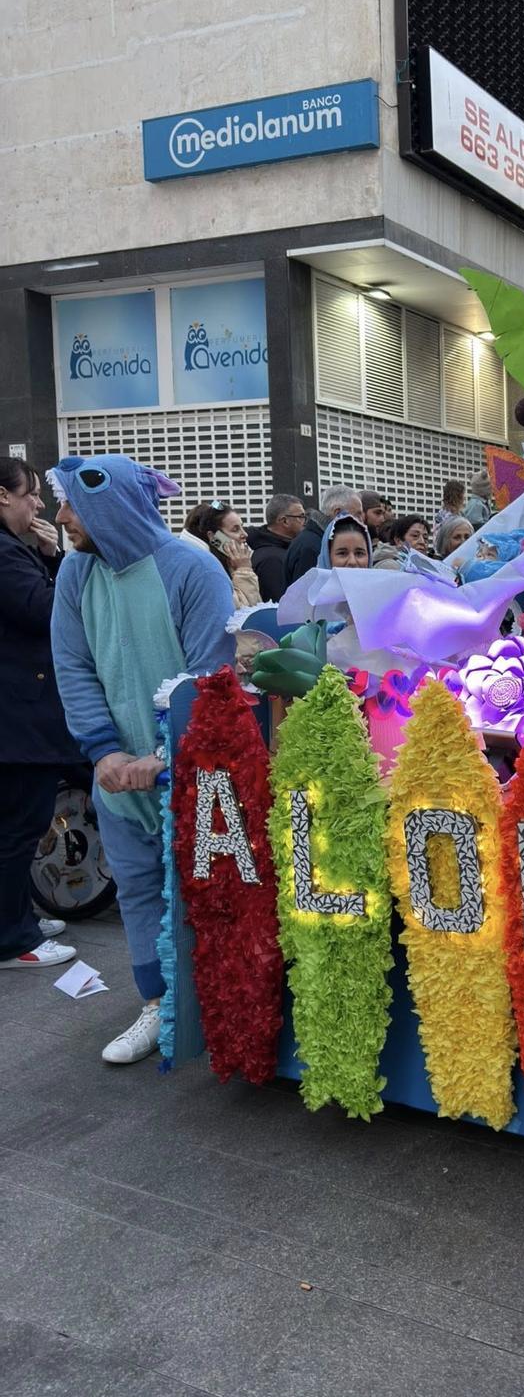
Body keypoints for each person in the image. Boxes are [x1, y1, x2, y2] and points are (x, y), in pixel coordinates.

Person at [49, 455, 235, 1064]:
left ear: (107, 504)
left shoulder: (193, 569)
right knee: (135, 888)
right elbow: (73, 665)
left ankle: (228, 1001)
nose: (61, 516)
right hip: (116, 777)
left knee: (212, 888)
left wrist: (163, 756)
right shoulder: (77, 574)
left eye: (71, 503)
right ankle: (158, 1002)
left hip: (193, 772)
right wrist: (102, 750)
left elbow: (212, 676)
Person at [0, 458, 81, 972]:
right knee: (17, 828)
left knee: (19, 826)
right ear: (3, 496)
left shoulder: (16, 550)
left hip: (20, 715)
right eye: (29, 493)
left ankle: (16, 917)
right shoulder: (5, 555)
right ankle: (13, 939)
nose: (39, 505)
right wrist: (63, 560)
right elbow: (46, 612)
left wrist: (49, 554)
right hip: (18, 719)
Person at [183, 501, 260, 608]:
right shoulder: (206, 569)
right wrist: (244, 570)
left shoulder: (225, 560)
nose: (245, 534)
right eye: (235, 529)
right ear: (213, 537)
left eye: (242, 527)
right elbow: (243, 612)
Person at [284, 487, 364, 586]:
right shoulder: (312, 547)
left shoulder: (315, 539)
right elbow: (306, 595)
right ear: (337, 513)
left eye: (359, 553)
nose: (361, 520)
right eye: (357, 514)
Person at [248, 494, 305, 602]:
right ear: (285, 521)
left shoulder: (285, 550)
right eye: (301, 517)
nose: (304, 522)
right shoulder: (272, 560)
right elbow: (280, 604)